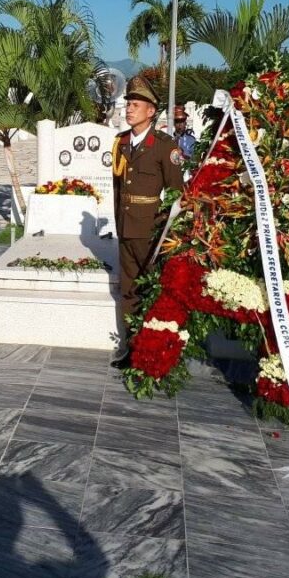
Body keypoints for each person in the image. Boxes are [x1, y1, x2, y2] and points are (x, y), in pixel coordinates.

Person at [110, 75, 185, 368]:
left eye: (135, 104)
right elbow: (118, 189)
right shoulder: (121, 143)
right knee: (129, 289)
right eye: (128, 103)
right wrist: (119, 221)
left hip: (150, 231)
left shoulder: (165, 146)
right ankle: (131, 347)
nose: (129, 109)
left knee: (150, 290)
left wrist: (164, 230)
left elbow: (178, 195)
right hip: (126, 227)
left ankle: (152, 349)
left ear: (151, 111)